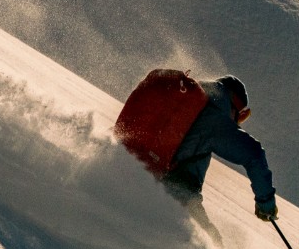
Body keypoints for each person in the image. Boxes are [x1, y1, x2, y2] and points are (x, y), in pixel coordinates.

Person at [114, 69, 278, 222]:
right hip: (168, 188)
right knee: (212, 244)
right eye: (240, 117)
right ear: (234, 105)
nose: (237, 123)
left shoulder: (190, 98)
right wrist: (266, 204)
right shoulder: (214, 117)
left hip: (126, 158)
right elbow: (253, 154)